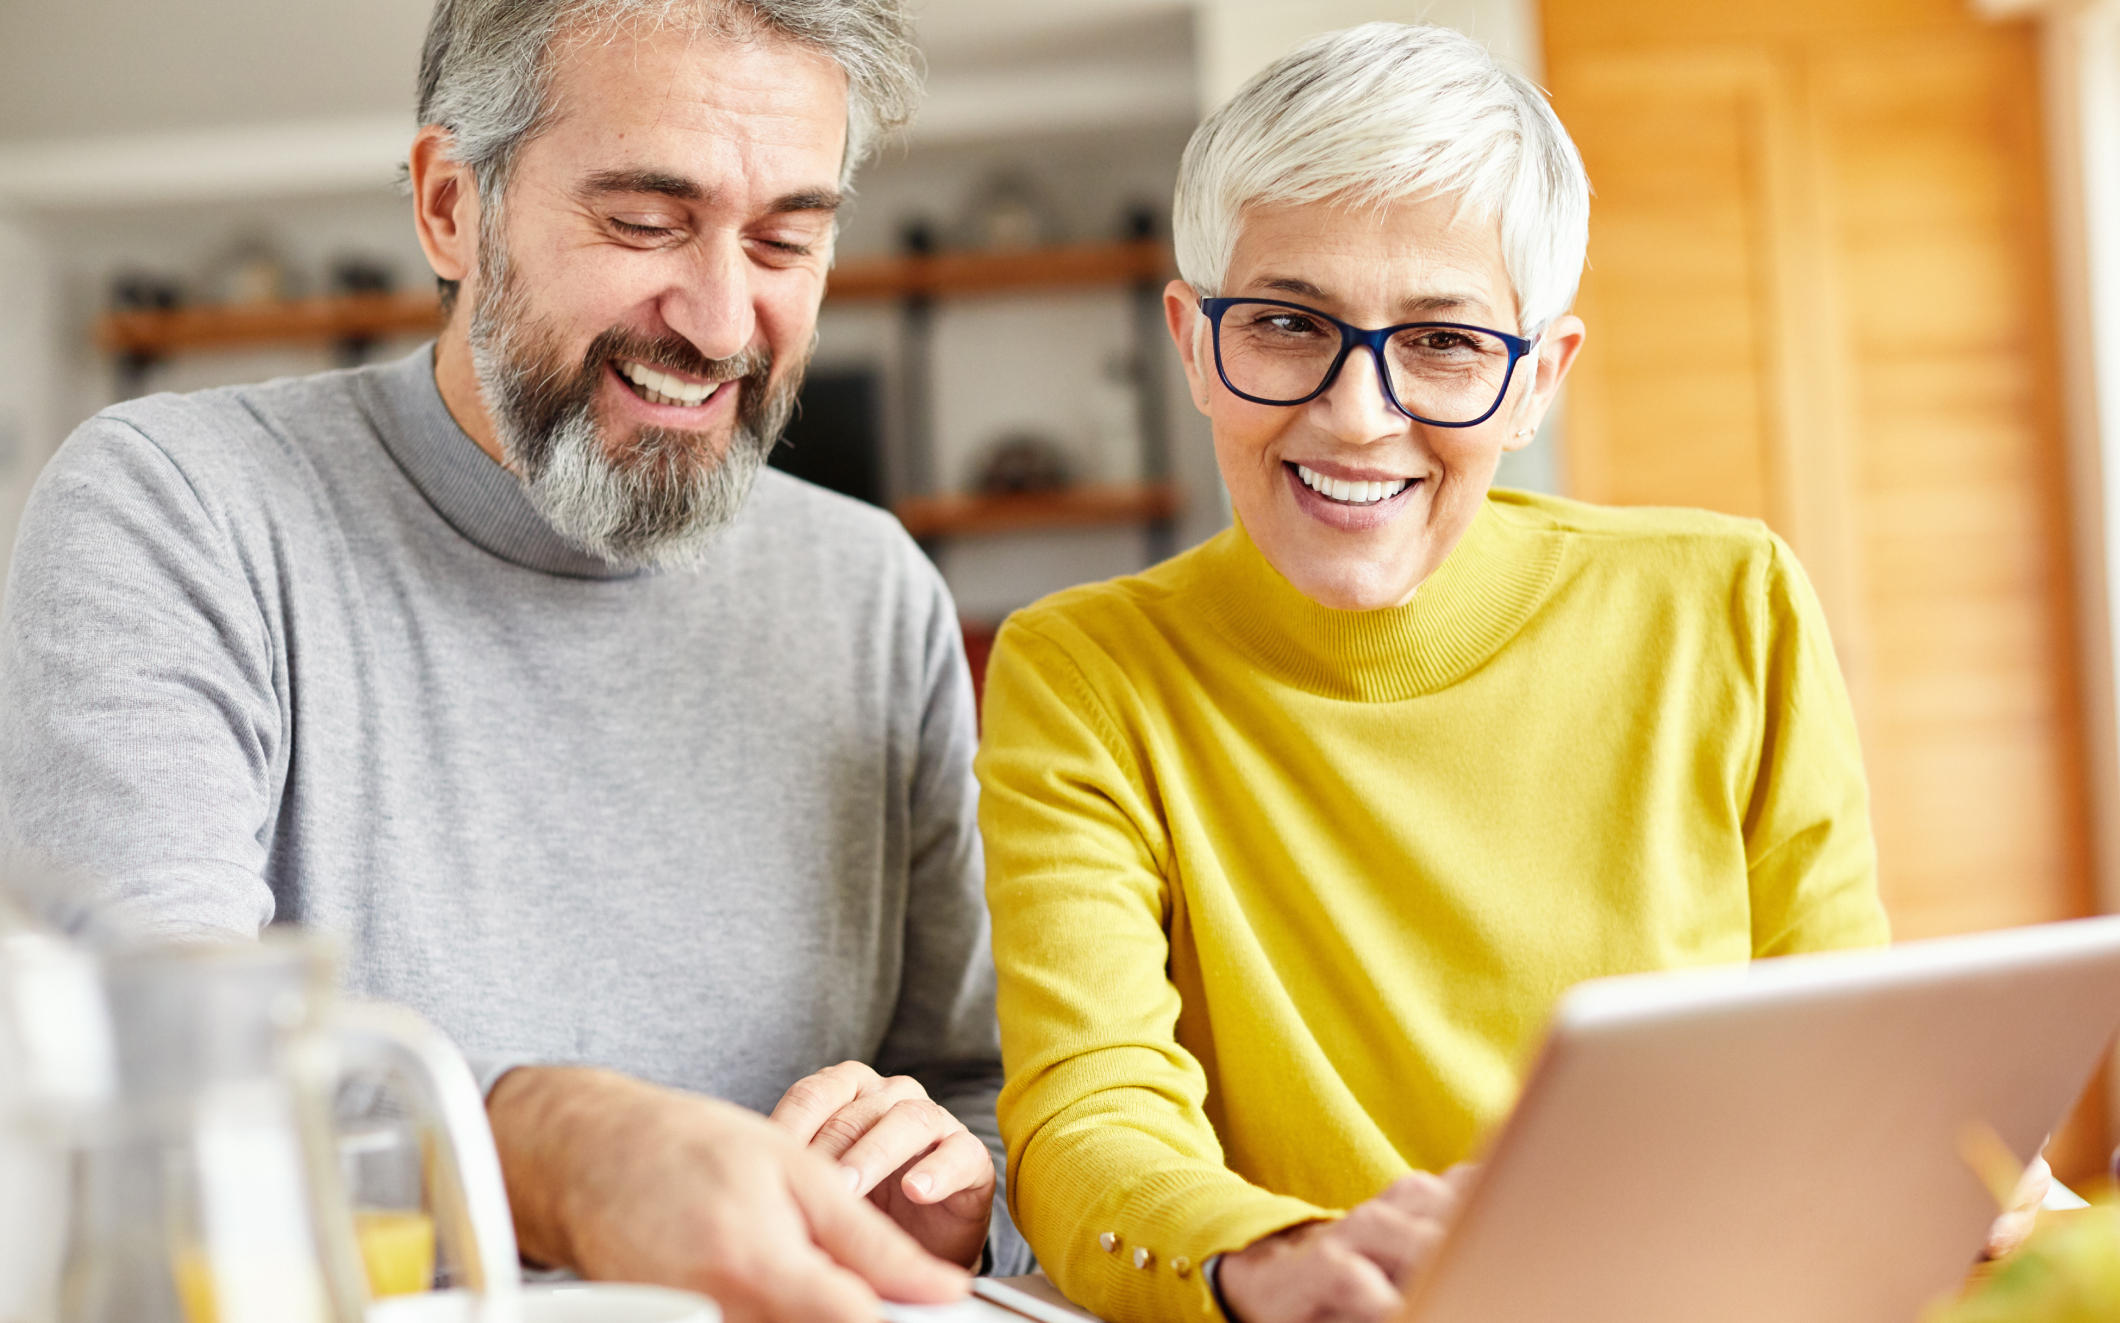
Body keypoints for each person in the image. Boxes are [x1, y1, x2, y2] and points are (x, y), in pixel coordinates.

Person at [0, 1, 1026, 1316]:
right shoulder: (181, 508)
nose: (719, 322)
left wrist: (955, 1198)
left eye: (785, 238)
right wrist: (533, 1148)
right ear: (450, 207)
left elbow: (977, 1093)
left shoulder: (870, 584)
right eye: (643, 224)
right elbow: (144, 1105)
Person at [977, 24, 1900, 1323]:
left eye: (1446, 345)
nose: (1357, 414)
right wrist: (1270, 1261)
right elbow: (1086, 1113)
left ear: (1537, 381)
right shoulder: (1085, 672)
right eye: (1288, 324)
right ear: (1192, 343)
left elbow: (1845, 1051)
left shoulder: (1726, 603)